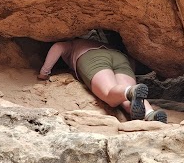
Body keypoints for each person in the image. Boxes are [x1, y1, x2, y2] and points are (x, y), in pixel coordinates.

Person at [38, 37, 168, 123]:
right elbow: (132, 62)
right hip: (120, 57)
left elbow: (58, 47)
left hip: (92, 56)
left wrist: (44, 73)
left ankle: (130, 91)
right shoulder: (101, 41)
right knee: (126, 100)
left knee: (109, 94)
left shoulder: (73, 43)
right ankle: (150, 114)